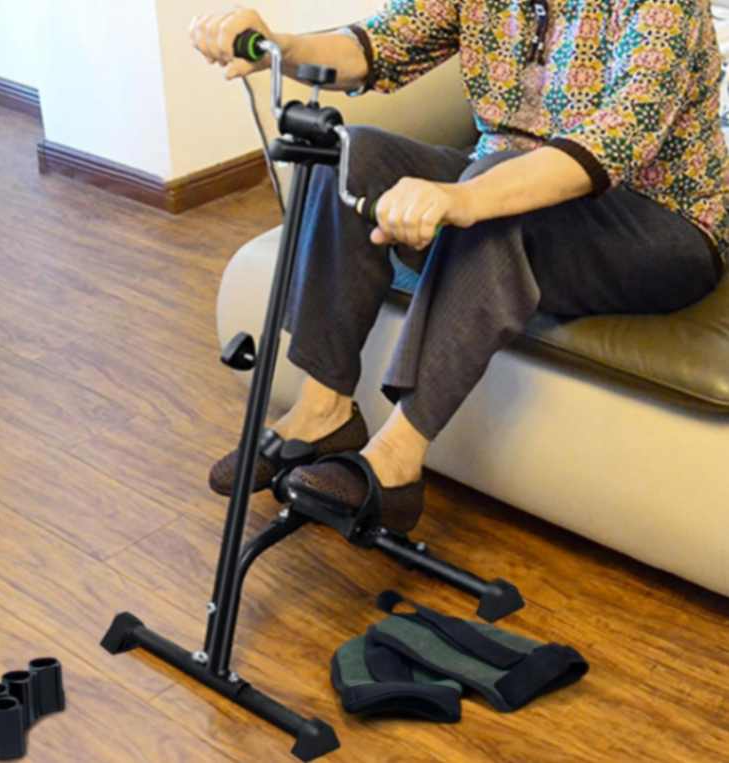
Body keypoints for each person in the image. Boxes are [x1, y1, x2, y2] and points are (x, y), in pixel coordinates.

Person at [190, 2, 729, 532]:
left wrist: (467, 198)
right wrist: (279, 48)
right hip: (503, 179)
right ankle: (322, 411)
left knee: (494, 193)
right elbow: (377, 46)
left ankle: (397, 462)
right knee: (354, 155)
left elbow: (617, 136)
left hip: (658, 224)